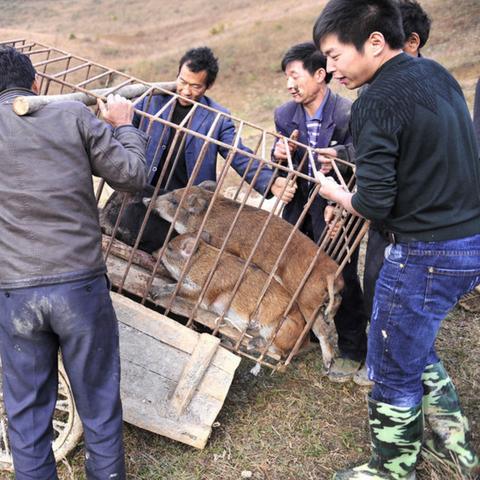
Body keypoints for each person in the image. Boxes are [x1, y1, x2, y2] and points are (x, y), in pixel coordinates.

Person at [313, 0, 480, 478]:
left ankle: (392, 468)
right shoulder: (439, 76)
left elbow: (374, 205)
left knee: (389, 362)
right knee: (414, 343)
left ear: (374, 42)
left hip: (423, 252)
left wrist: (337, 193)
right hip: (468, 239)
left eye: (334, 55)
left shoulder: (376, 102)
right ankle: (456, 448)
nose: (330, 69)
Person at [0, 46, 147, 479]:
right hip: (79, 287)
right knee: (99, 404)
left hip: (15, 293)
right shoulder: (73, 116)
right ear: (37, 85)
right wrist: (124, 126)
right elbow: (133, 175)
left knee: (26, 414)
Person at [272, 42, 370, 385]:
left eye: (295, 76)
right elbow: (281, 158)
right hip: (300, 204)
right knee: (297, 269)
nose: (290, 85)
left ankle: (355, 348)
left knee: (339, 275)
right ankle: (309, 335)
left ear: (319, 75)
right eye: (287, 78)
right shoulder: (285, 114)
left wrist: (341, 156)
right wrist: (279, 153)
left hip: (338, 205)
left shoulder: (348, 113)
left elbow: (364, 155)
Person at [134, 46, 294, 201]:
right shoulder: (151, 100)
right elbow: (122, 129)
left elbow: (238, 154)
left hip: (186, 206)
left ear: (207, 86)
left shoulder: (217, 118)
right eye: (182, 82)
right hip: (142, 193)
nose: (186, 91)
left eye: (195, 86)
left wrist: (270, 181)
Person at [362, 0, 432, 324]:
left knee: (414, 299)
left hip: (421, 218)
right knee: (375, 284)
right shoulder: (372, 90)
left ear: (411, 42)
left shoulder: (437, 89)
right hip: (383, 217)